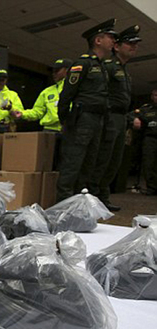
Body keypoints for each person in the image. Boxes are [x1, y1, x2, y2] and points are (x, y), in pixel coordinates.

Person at [56, 18, 117, 202]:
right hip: (82, 120)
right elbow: (66, 96)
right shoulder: (82, 64)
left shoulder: (103, 67)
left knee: (88, 166)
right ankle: (63, 207)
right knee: (72, 165)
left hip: (97, 121)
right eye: (110, 37)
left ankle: (78, 206)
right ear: (98, 40)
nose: (114, 41)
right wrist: (66, 121)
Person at [89, 25, 141, 211]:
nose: (133, 47)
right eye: (129, 43)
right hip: (109, 118)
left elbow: (123, 100)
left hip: (120, 119)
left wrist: (128, 118)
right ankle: (93, 199)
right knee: (103, 159)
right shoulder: (108, 67)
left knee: (114, 162)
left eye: (135, 44)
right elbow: (102, 94)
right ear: (117, 47)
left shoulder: (125, 71)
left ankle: (103, 197)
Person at [12, 58, 73, 169]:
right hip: (49, 132)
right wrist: (22, 114)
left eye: (57, 71)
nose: (54, 74)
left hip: (69, 131)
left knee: (66, 165)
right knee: (46, 165)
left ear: (67, 70)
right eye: (53, 71)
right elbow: (37, 111)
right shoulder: (47, 92)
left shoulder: (75, 89)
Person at [133, 88, 157, 195]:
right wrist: (135, 119)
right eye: (155, 95)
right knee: (149, 163)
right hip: (150, 138)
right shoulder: (147, 109)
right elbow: (132, 114)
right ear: (152, 97)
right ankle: (152, 188)